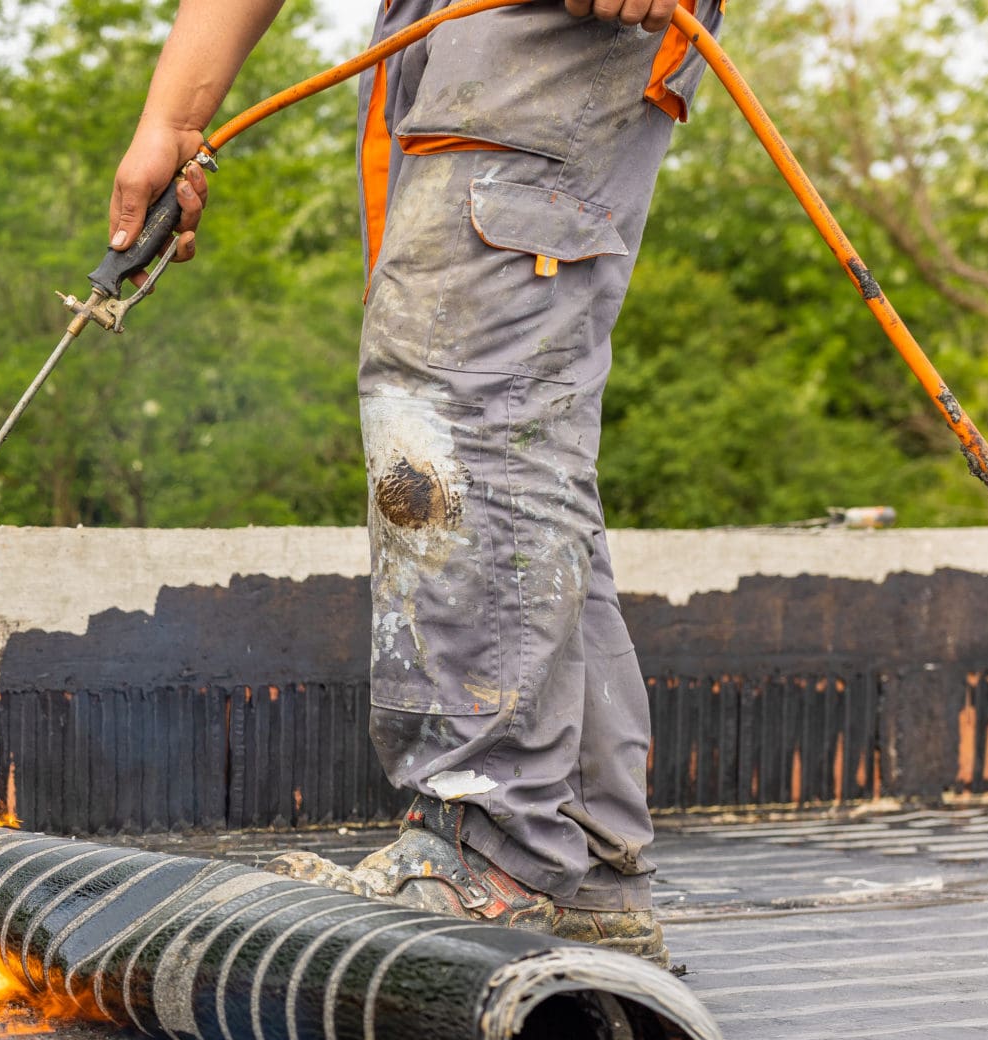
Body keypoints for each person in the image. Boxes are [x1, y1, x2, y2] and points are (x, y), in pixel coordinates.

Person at [107, 0, 723, 967]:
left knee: (452, 418)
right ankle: (579, 860)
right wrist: (173, 118)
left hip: (536, 28)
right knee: (508, 433)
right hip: (442, 35)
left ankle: (498, 855)